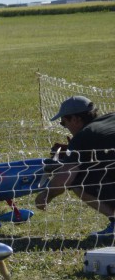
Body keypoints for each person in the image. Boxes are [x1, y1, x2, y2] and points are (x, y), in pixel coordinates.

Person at [35, 96, 115, 237]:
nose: (65, 127)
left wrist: (46, 196)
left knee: (77, 181)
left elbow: (66, 177)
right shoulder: (111, 118)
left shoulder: (84, 135)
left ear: (75, 119)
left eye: (63, 122)